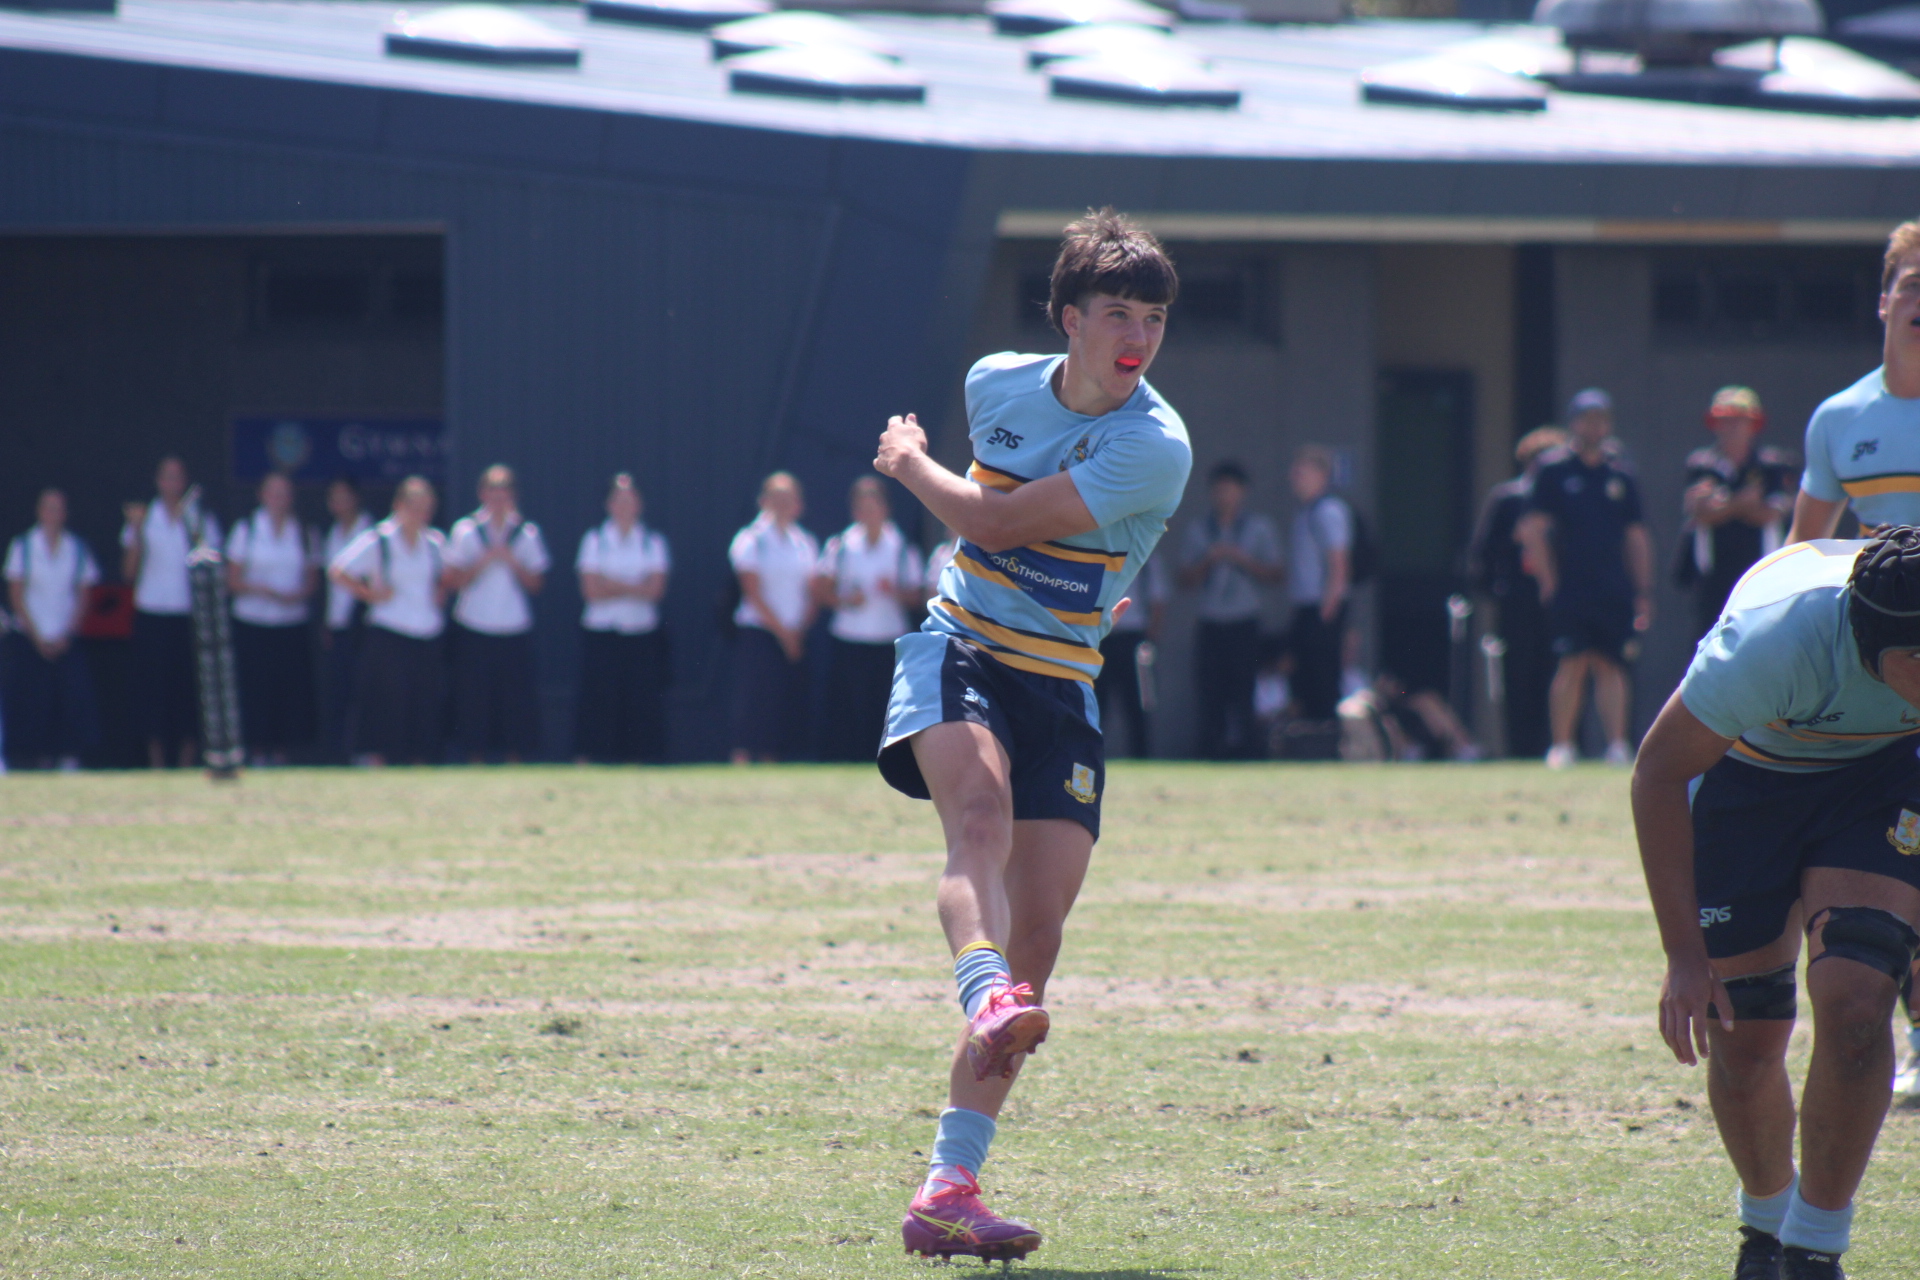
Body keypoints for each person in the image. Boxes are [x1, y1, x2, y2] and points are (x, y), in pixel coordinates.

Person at [871, 209, 1191, 1263]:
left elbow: (999, 522)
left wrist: (908, 461)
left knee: (1039, 944)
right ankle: (980, 987)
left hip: (1062, 684)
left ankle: (947, 1190)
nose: (1136, 335)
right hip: (959, 647)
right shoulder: (995, 383)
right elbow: (989, 532)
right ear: (1069, 318)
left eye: (1153, 318)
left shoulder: (1154, 444)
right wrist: (932, 472)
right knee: (980, 816)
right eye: (1117, 313)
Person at [1630, 530, 1920, 1280]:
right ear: (1869, 644)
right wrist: (1683, 955)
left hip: (1880, 780)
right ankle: (1764, 1226)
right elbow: (1657, 774)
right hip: (1748, 784)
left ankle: (1814, 1247)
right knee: (1745, 1035)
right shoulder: (1772, 643)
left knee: (1858, 1003)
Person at [1782, 219, 1920, 1109]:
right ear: (1883, 300)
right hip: (1879, 679)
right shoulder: (1840, 419)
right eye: (1913, 284)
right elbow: (1802, 554)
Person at [1517, 390, 1654, 769]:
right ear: (1574, 423)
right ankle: (1561, 745)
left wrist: (1642, 589)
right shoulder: (1553, 470)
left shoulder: (1620, 473)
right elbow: (1534, 528)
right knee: (1572, 662)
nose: (1594, 426)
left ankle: (1617, 745)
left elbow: (1636, 535)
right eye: (1587, 418)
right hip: (1571, 586)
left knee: (1612, 664)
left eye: (1600, 418)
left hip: (1613, 586)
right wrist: (1548, 581)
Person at [329, 476, 447, 767]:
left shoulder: (435, 543)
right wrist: (370, 594)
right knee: (386, 702)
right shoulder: (378, 539)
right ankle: (379, 760)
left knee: (423, 702)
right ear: (398, 506)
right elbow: (338, 570)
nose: (420, 514)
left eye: (426, 508)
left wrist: (441, 592)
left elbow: (447, 577)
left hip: (427, 633)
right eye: (414, 506)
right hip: (389, 632)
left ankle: (419, 761)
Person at [1469, 426, 1568, 759]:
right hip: (1518, 599)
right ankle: (1520, 749)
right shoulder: (1507, 498)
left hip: (1558, 600)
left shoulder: (1563, 499)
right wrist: (1499, 591)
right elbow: (1483, 552)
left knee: (1558, 671)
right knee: (1517, 676)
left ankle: (1558, 744)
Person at [444, 466, 549, 763]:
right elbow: (452, 580)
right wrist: (484, 560)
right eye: (493, 491)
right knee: (473, 698)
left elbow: (536, 584)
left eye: (504, 492)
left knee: (514, 700)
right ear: (482, 494)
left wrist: (512, 561)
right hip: (473, 625)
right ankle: (474, 758)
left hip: (514, 626)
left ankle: (514, 758)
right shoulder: (466, 531)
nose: (498, 498)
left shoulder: (527, 533)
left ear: (513, 496)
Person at [1178, 460, 1282, 759]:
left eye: (1231, 489)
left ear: (1242, 492)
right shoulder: (1199, 529)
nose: (1225, 495)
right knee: (1210, 692)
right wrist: (1209, 560)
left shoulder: (1259, 528)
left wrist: (1241, 559)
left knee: (1245, 691)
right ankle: (1211, 753)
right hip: (1211, 621)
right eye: (1219, 489)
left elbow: (1276, 575)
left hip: (1244, 621)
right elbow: (1183, 579)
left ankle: (1249, 753)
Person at [815, 476, 922, 762]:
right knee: (847, 704)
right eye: (863, 508)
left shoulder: (901, 547)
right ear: (855, 512)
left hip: (889, 638)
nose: (869, 514)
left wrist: (894, 591)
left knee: (884, 704)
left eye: (873, 507)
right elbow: (821, 590)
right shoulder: (840, 545)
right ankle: (845, 758)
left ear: (885, 509)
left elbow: (916, 596)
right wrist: (846, 600)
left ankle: (882, 759)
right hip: (848, 637)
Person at [121, 456, 218, 769]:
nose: (172, 483)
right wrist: (137, 531)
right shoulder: (144, 518)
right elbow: (128, 572)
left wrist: (191, 530)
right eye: (167, 477)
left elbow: (210, 567)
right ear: (158, 481)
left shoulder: (199, 519)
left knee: (188, 691)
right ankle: (157, 762)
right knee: (153, 690)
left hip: (189, 617)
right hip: (152, 615)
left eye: (178, 477)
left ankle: (187, 761)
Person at [1679, 386, 1796, 640]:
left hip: (1761, 576)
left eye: (1739, 421)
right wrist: (1742, 502)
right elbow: (1700, 512)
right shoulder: (1702, 465)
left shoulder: (1771, 465)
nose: (1732, 428)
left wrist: (1724, 505)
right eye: (1725, 420)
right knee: (1708, 642)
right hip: (1713, 579)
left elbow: (1771, 513)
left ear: (1754, 425)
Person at [574, 473, 671, 764]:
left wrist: (613, 584)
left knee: (640, 700)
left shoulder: (652, 542)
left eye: (630, 500)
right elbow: (591, 591)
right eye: (619, 500)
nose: (625, 506)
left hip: (641, 633)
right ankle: (595, 757)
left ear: (639, 504)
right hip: (602, 633)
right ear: (609, 505)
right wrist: (634, 586)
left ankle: (641, 759)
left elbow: (655, 590)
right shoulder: (594, 540)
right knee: (599, 699)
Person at [225, 472, 318, 765]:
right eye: (273, 493)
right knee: (255, 689)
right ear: (262, 496)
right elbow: (231, 580)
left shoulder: (304, 532)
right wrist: (261, 590)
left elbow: (312, 581)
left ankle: (281, 752)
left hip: (291, 624)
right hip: (252, 624)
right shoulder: (246, 529)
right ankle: (256, 751)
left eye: (284, 493)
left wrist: (296, 595)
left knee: (288, 691)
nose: (279, 499)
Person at [3, 489, 99, 770]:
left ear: (65, 514)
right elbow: (16, 595)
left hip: (65, 640)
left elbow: (83, 595)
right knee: (33, 702)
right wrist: (37, 638)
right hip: (30, 640)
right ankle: (35, 759)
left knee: (70, 700)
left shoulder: (77, 548)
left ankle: (69, 758)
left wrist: (67, 635)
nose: (53, 514)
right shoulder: (22, 546)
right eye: (48, 508)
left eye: (58, 509)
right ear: (39, 512)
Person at [727, 472, 818, 764]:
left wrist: (797, 632)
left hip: (794, 634)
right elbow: (752, 591)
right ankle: (742, 759)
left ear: (798, 504)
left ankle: (772, 761)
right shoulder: (750, 540)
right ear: (763, 501)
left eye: (788, 498)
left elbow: (812, 592)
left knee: (782, 702)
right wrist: (783, 633)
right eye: (776, 498)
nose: (782, 504)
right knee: (754, 700)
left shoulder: (805, 542)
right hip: (759, 632)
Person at [1284, 445, 1353, 724]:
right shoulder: (1304, 513)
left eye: (1302, 473)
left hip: (1321, 609)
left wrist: (1328, 609)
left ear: (1321, 475)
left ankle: (1327, 735)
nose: (1295, 478)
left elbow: (1338, 563)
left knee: (1323, 678)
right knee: (1304, 680)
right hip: (1305, 607)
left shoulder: (1328, 511)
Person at [1094, 550, 1166, 758]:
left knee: (1139, 704)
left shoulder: (1146, 554)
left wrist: (1150, 639)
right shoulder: (1099, 551)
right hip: (1102, 637)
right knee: (1097, 704)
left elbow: (1158, 600)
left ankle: (1141, 757)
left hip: (1134, 637)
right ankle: (1092, 757)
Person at [320, 477, 372, 762]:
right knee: (339, 690)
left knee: (362, 690)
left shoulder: (370, 532)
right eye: (334, 497)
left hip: (363, 626)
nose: (339, 503)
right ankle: (339, 754)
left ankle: (362, 751)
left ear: (356, 498)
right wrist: (329, 623)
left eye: (344, 496)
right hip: (337, 627)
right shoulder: (332, 534)